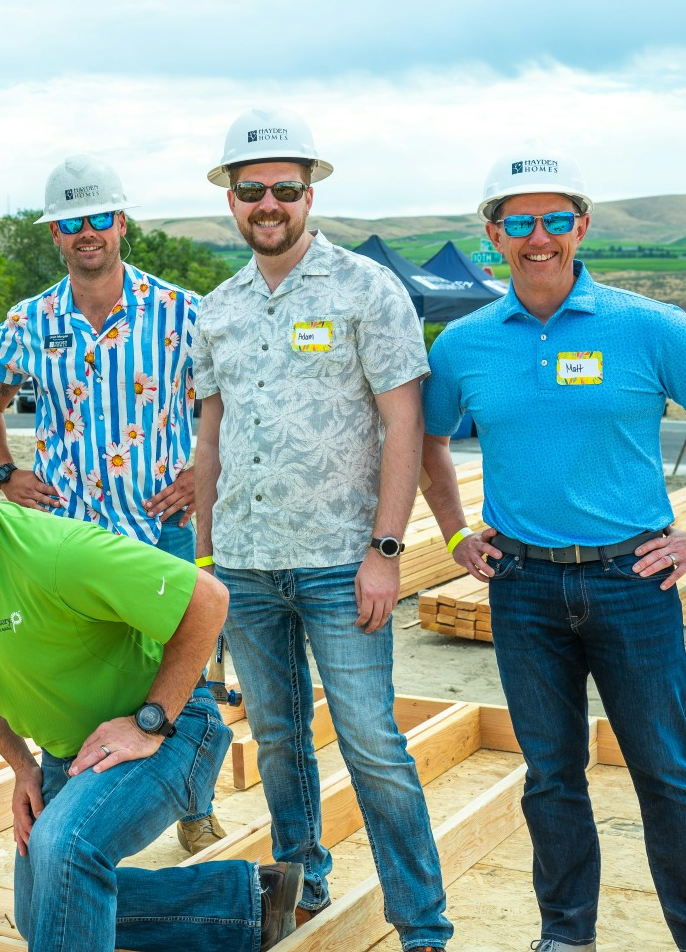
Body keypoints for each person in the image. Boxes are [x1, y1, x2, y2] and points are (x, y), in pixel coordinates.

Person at [420, 149, 686, 952]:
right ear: (494, 234)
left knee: (666, 773)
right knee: (550, 775)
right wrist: (457, 533)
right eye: (520, 223)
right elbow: (427, 441)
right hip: (523, 586)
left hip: (632, 581)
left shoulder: (648, 326)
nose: (540, 238)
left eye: (556, 220)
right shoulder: (464, 344)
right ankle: (566, 935)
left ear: (583, 225)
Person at [0, 377, 304, 951]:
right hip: (72, 753)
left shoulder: (49, 553)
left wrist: (147, 722)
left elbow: (208, 600)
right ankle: (247, 903)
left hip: (173, 729)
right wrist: (21, 765)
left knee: (65, 848)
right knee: (42, 915)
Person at [191, 107, 451, 951]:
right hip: (248, 566)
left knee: (373, 744)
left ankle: (421, 924)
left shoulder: (367, 290)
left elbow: (403, 426)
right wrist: (205, 558)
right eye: (251, 189)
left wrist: (385, 551)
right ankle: (301, 881)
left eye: (284, 189)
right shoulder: (219, 308)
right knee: (275, 739)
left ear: (310, 192)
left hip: (344, 566)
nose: (268, 203)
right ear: (231, 198)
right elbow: (210, 439)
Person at [0, 152, 225, 851]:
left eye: (98, 218)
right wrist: (2, 474)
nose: (87, 233)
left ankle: (193, 799)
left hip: (157, 528)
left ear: (121, 223)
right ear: (55, 234)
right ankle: (81, 812)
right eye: (71, 221)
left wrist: (204, 471)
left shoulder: (177, 312)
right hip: (67, 543)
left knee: (181, 674)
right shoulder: (30, 320)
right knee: (82, 675)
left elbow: (225, 405)